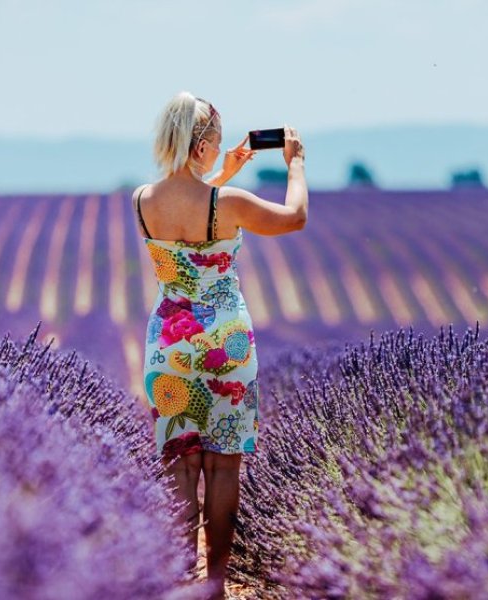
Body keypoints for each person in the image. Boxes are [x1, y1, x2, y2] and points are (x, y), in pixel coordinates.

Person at [132, 91, 307, 599]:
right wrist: (295, 165)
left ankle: (180, 581)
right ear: (203, 143)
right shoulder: (226, 204)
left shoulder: (143, 200)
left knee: (180, 460)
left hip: (169, 341)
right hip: (225, 342)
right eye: (217, 138)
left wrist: (219, 174)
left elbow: (189, 221)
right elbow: (293, 217)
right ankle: (214, 586)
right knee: (223, 461)